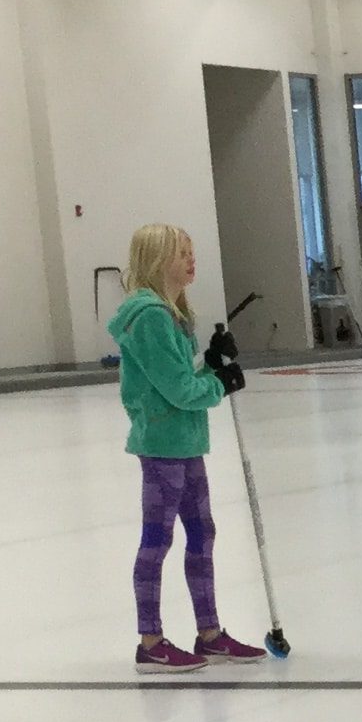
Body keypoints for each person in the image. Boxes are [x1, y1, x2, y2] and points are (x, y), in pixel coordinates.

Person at [109, 221, 263, 674]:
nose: (191, 261)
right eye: (182, 254)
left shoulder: (173, 313)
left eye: (192, 252)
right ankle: (150, 639)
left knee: (202, 532)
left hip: (185, 441)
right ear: (158, 261)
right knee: (157, 539)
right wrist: (219, 383)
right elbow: (177, 389)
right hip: (162, 443)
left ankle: (209, 632)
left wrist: (209, 361)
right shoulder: (151, 316)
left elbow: (181, 372)